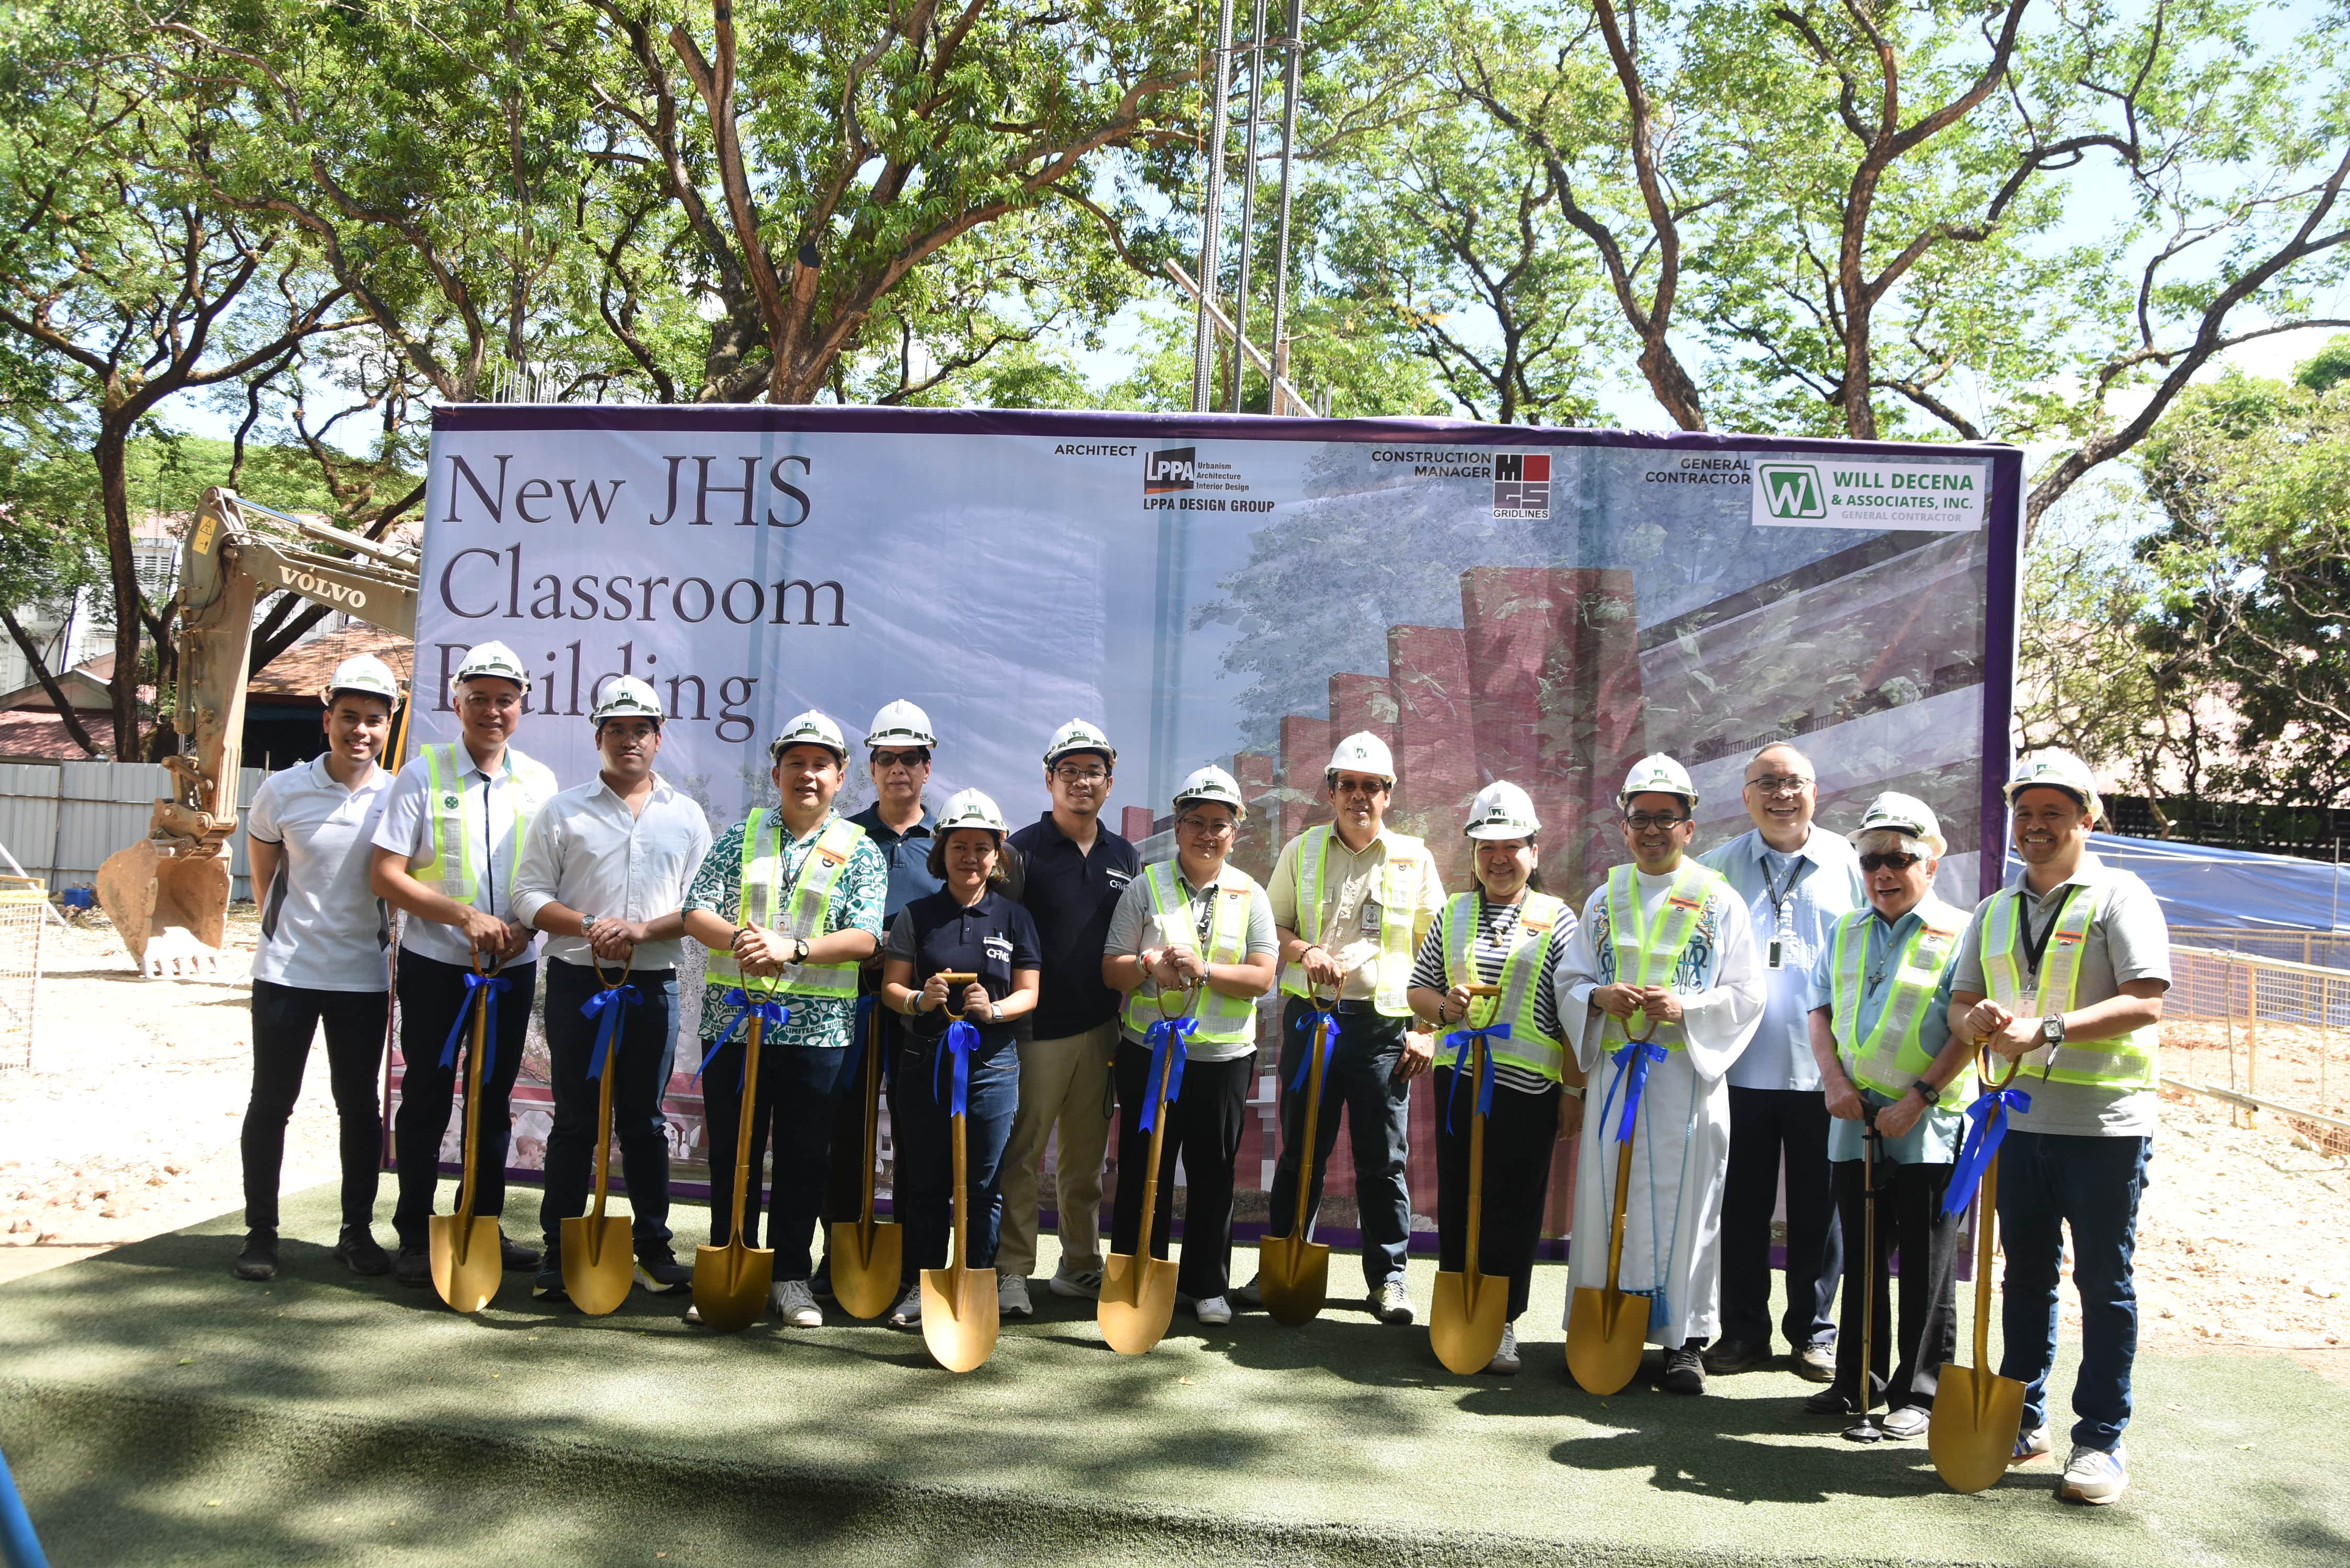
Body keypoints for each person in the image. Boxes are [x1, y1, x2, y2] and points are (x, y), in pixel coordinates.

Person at [1946, 749, 2168, 1505]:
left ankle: (2101, 1441)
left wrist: (2045, 1031)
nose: (2035, 828)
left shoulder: (2120, 896)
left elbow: (2146, 1000)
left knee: (2104, 1284)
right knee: (2026, 1277)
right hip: (2020, 1126)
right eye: (2025, 813)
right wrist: (1972, 1019)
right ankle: (2022, 1419)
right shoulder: (1994, 908)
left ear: (2087, 818)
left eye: (2053, 813)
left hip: (2104, 1128)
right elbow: (1962, 1001)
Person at [1554, 754, 1765, 1394]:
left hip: (1685, 1080)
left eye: (1664, 819)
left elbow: (1747, 993)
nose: (1650, 831)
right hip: (1619, 1074)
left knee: (1690, 1203)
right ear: (1622, 826)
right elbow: (1570, 978)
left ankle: (1683, 1342)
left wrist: (1687, 1008)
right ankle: (1599, 1324)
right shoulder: (1603, 897)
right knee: (1604, 1196)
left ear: (1688, 827)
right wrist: (1597, 998)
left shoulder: (1717, 899)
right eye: (1639, 819)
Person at [681, 710, 888, 1328]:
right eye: (795, 762)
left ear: (840, 776)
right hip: (735, 1024)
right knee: (734, 1155)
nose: (807, 774)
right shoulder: (740, 836)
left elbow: (867, 937)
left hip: (818, 1032)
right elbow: (696, 912)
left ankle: (790, 1278)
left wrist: (792, 948)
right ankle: (726, 1263)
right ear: (775, 772)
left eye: (820, 764)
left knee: (804, 1156)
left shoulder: (859, 848)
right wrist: (741, 941)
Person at [1236, 731, 1447, 1325]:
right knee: (1301, 1149)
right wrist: (1303, 952)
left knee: (1383, 1158)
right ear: (1330, 791)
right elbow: (1269, 931)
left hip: (1384, 1027)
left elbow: (1440, 954)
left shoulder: (1415, 858)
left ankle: (1389, 1280)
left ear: (1388, 794)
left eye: (1371, 787)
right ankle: (1281, 1263)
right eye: (1347, 785)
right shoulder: (1299, 851)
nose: (1358, 796)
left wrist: (1429, 1032)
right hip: (1313, 1022)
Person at [513, 676, 711, 1301]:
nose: (630, 740)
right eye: (617, 730)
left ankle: (653, 1249)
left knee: (646, 1122)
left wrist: (642, 929)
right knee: (574, 1122)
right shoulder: (562, 810)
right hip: (579, 981)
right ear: (599, 736)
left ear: (659, 739)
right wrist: (590, 927)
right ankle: (559, 1249)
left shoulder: (685, 815)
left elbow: (703, 906)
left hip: (652, 984)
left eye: (642, 730)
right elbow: (528, 897)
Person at [370, 640, 559, 1289]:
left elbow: (551, 877)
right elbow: (385, 874)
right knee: (426, 1094)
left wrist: (524, 926)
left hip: (512, 967)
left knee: (492, 1099)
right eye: (478, 698)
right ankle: (415, 1232)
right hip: (436, 966)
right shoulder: (423, 774)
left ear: (522, 707)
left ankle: (480, 1222)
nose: (491, 710)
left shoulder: (539, 781)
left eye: (504, 699)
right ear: (456, 702)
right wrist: (463, 917)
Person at [1805, 793, 1973, 1437]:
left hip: (1925, 1124)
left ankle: (1920, 1395)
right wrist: (1832, 1082)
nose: (1882, 871)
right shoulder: (1845, 928)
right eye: (1870, 857)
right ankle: (1857, 1384)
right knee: (1864, 1256)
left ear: (1929, 862)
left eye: (1899, 857)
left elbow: (1967, 1031)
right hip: (1852, 1118)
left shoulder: (1961, 930)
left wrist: (1917, 1099)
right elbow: (1819, 1012)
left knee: (1927, 1269)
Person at [233, 654, 404, 1282]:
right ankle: (260, 1235)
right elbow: (265, 874)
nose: (361, 731)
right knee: (271, 1102)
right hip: (286, 971)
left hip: (363, 974)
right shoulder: (282, 790)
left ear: (390, 726)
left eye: (374, 721)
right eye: (349, 717)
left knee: (358, 1107)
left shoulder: (399, 794)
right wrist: (288, 931)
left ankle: (355, 1233)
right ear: (326, 718)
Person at [1405, 781, 1585, 1375]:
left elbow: (1573, 1012)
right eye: (1486, 847)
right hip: (1459, 1084)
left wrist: (1572, 1089)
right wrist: (1444, 1008)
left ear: (1534, 850)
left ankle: (1503, 1321)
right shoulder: (1453, 914)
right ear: (1472, 853)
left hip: (1527, 1093)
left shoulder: (1557, 920)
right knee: (1458, 1199)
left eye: (1511, 846)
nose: (1498, 859)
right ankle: (1459, 1311)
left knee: (1513, 1205)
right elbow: (1417, 988)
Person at [1696, 744, 1862, 1380]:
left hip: (1825, 1070)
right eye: (1765, 783)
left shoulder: (1849, 865)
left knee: (1821, 1212)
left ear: (1814, 792)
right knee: (1739, 1206)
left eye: (1793, 782)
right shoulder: (1714, 869)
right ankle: (1741, 1332)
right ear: (1745, 796)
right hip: (1735, 1067)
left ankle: (1813, 1333)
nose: (1780, 794)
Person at [1100, 766, 1277, 1325]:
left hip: (1221, 1059)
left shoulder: (1251, 894)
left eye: (1219, 825)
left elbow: (1263, 977)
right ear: (1176, 828)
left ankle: (1206, 1286)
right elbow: (1111, 970)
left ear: (1234, 833)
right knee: (1141, 1168)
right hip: (1149, 1054)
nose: (1207, 833)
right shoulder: (1144, 886)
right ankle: (1140, 1271)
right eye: (1195, 822)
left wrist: (1204, 973)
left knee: (1213, 1172)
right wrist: (1148, 965)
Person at [879, 789, 1041, 1328]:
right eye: (958, 846)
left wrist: (992, 1011)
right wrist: (918, 1001)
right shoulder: (916, 915)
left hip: (993, 1066)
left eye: (982, 847)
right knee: (924, 1182)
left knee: (982, 1187)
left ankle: (974, 1283)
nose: (970, 857)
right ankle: (919, 1286)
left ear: (998, 855)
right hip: (924, 1062)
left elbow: (1028, 994)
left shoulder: (1015, 918)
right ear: (941, 851)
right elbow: (890, 989)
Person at [999, 719, 1139, 1316]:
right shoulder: (1020, 851)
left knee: (1085, 1161)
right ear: (1049, 779)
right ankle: (1010, 1270)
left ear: (1110, 782)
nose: (1082, 783)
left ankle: (1080, 1265)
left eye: (1093, 772)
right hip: (1036, 1029)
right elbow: (999, 938)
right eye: (1070, 772)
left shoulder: (1123, 853)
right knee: (1022, 1156)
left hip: (1100, 1027)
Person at [825, 699, 944, 1302]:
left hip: (918, 1012)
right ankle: (839, 1258)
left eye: (911, 759)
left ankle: (913, 1266)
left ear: (929, 766)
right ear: (870, 768)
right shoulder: (842, 836)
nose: (899, 769)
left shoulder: (947, 843)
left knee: (919, 1137)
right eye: (887, 758)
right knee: (843, 1134)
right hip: (848, 1005)